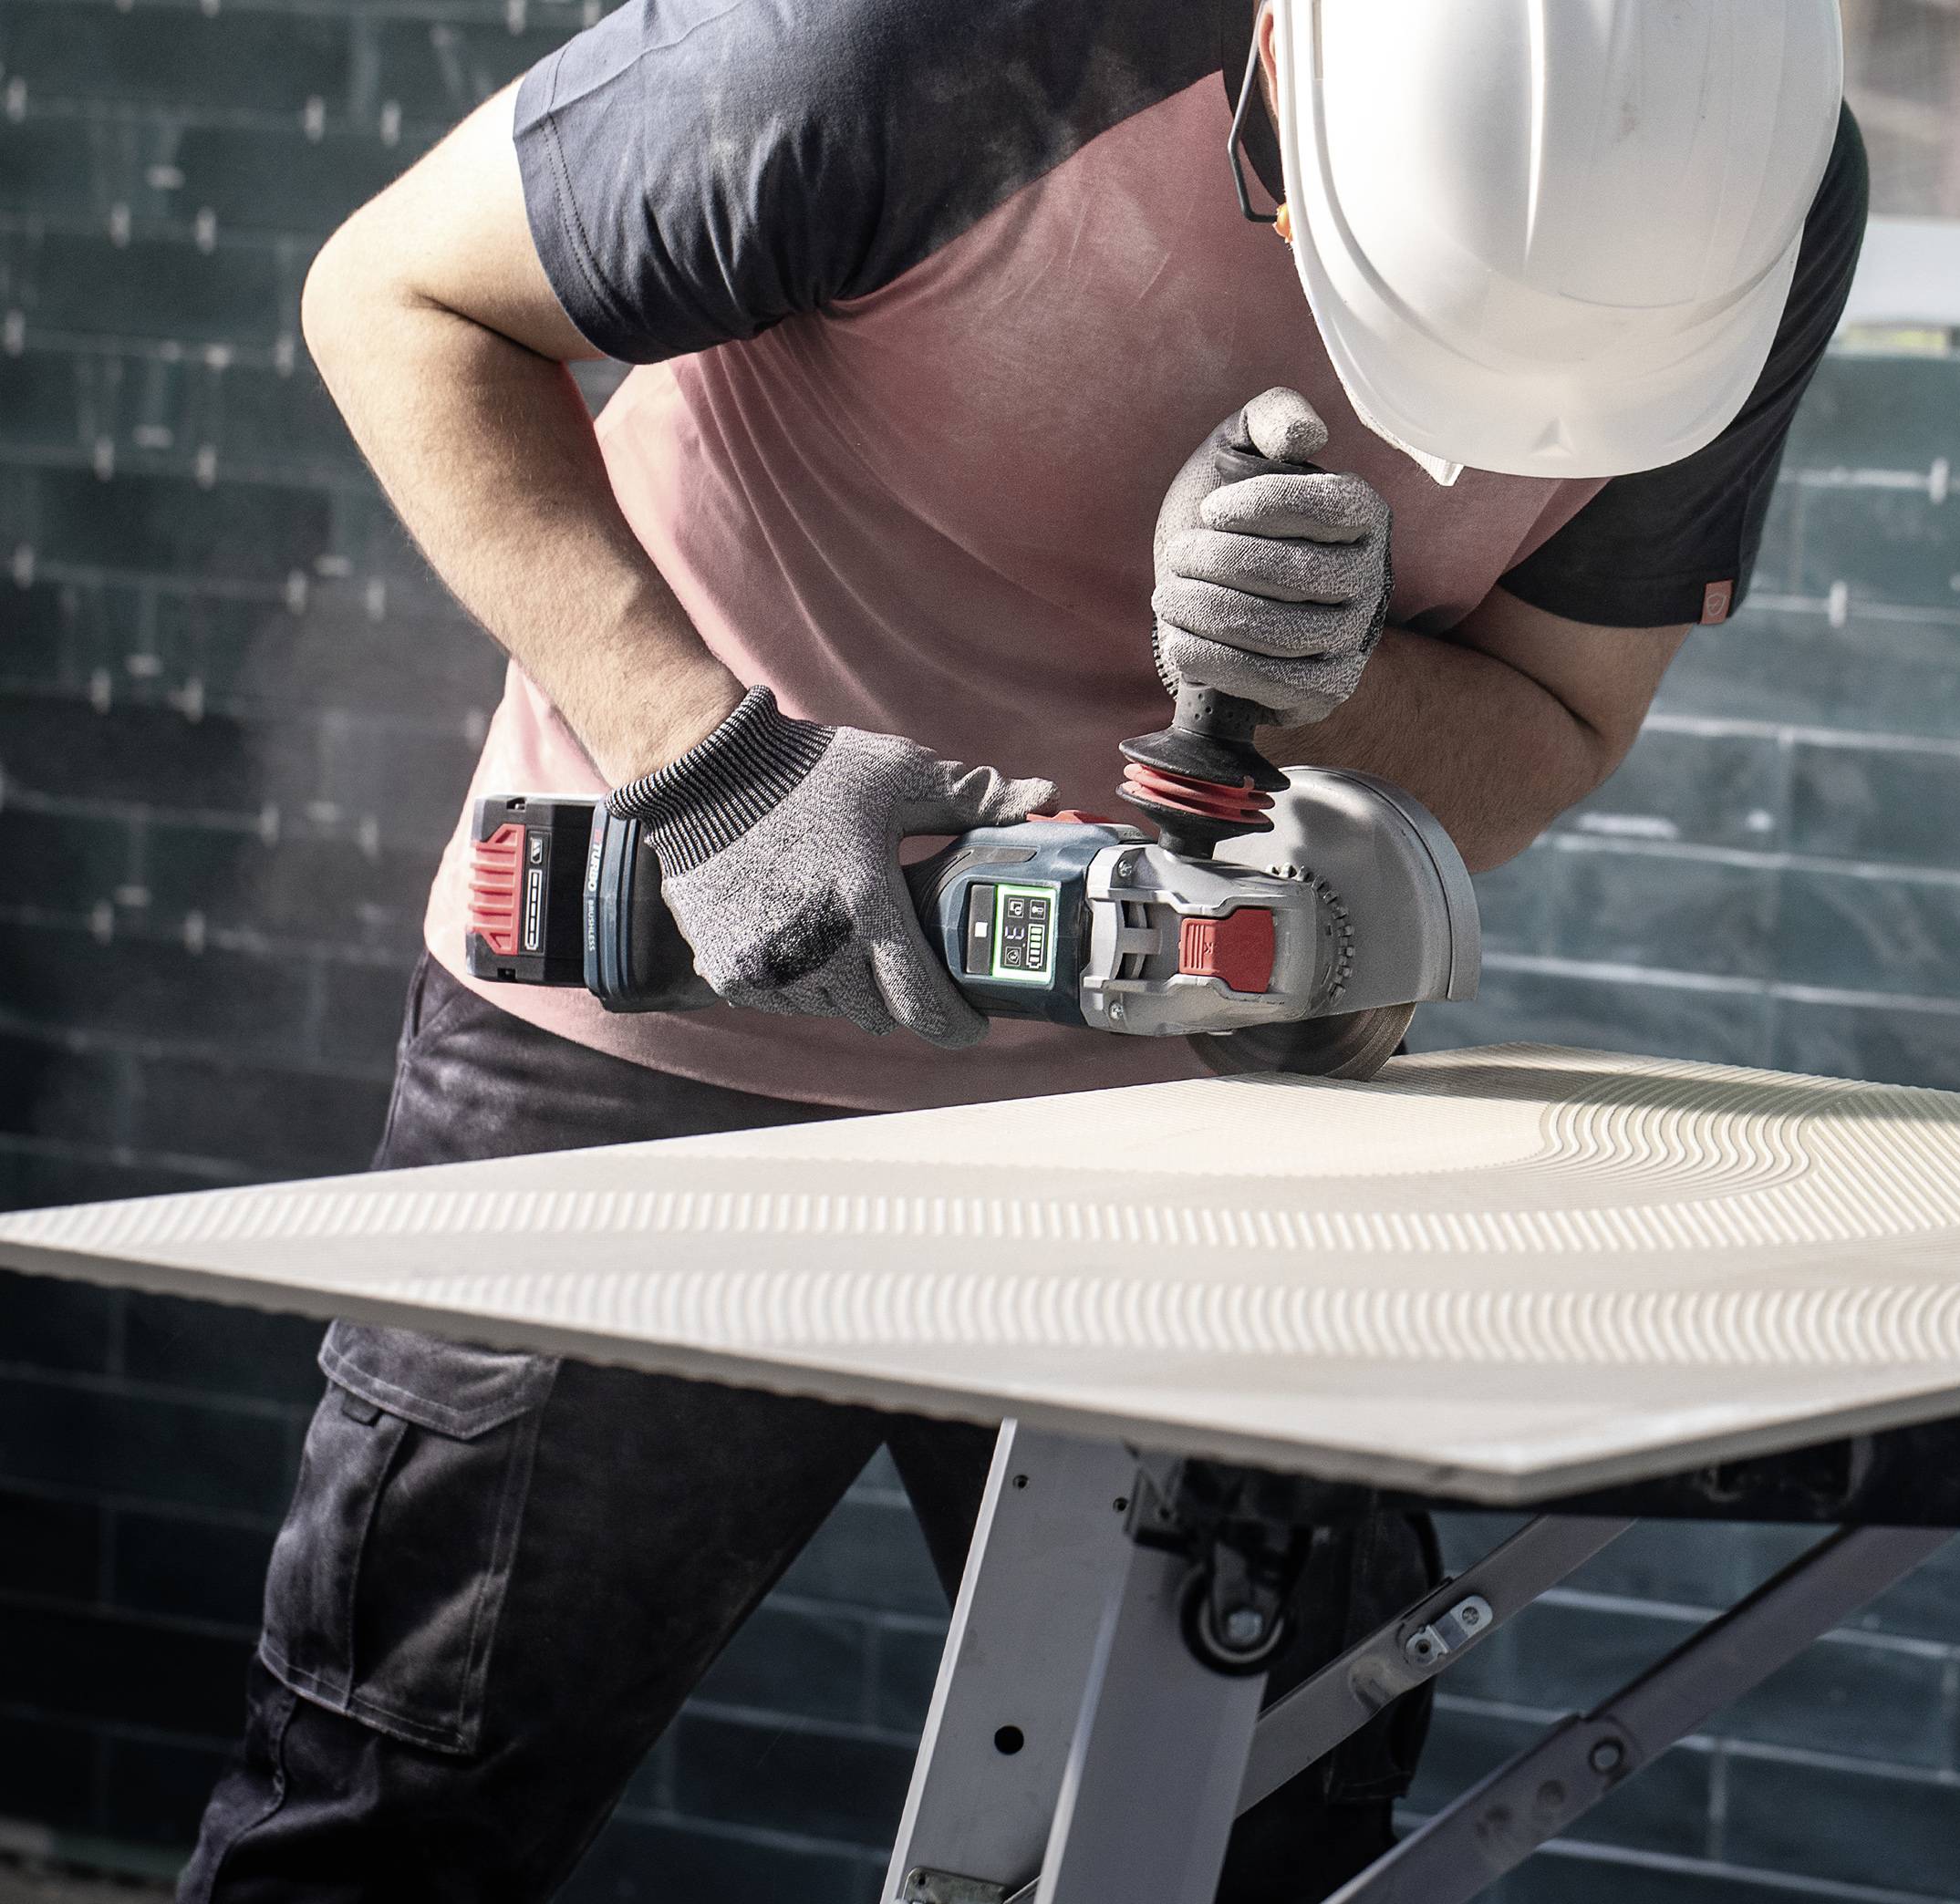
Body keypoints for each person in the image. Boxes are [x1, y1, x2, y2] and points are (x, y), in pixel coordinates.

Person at [181, 1, 1867, 1896]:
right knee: (393, 1808)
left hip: (1195, 1099)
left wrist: (1318, 682)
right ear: (1282, 79)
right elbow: (394, 299)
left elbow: (1552, 729)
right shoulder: (912, 41)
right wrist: (707, 765)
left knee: (1254, 1827)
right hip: (655, 1031)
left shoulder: (1739, 190)